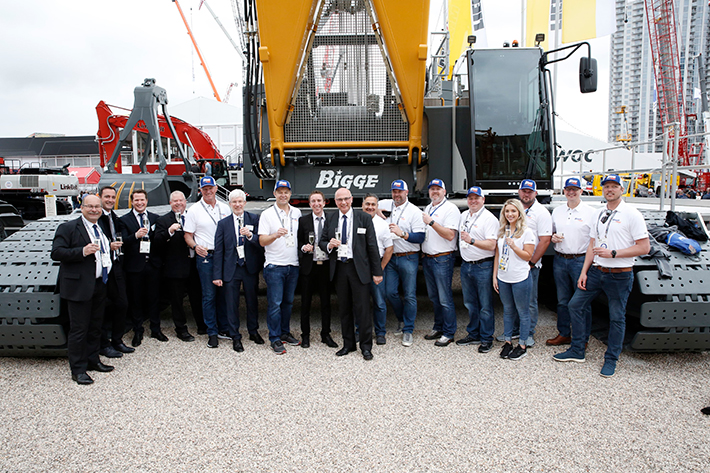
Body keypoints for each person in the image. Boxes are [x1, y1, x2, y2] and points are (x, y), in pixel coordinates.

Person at [553, 174, 650, 377]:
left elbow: (644, 247)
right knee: (575, 305)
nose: (609, 190)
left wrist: (614, 253)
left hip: (619, 275)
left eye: (614, 186)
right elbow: (592, 244)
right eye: (606, 186)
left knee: (616, 317)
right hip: (597, 271)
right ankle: (578, 349)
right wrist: (584, 271)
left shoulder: (632, 214)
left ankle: (611, 359)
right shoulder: (599, 213)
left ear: (622, 189)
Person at [51, 195, 114, 385]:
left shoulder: (100, 227)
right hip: (79, 286)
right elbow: (56, 252)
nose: (94, 210)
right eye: (90, 206)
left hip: (99, 283)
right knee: (79, 329)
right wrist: (82, 251)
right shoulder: (68, 228)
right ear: (82, 207)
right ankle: (78, 369)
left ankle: (93, 360)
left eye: (97, 207)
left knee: (95, 326)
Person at [321, 188, 383, 360]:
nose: (343, 202)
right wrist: (329, 245)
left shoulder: (364, 218)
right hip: (340, 268)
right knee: (344, 309)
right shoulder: (331, 218)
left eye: (346, 199)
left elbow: (372, 246)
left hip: (359, 269)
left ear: (352, 199)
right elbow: (322, 241)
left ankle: (366, 346)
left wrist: (377, 272)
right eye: (339, 200)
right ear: (335, 202)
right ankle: (348, 344)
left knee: (363, 310)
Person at [212, 189, 265, 352]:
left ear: (245, 203)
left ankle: (253, 331)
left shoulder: (254, 219)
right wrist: (217, 275)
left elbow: (261, 242)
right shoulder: (223, 224)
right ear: (230, 204)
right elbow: (219, 250)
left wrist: (250, 236)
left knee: (252, 301)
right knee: (231, 304)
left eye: (240, 201)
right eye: (234, 202)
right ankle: (235, 336)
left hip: (249, 268)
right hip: (231, 268)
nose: (237, 204)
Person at [547, 177, 596, 347]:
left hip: (580, 260)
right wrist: (553, 238)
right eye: (568, 189)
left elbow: (594, 240)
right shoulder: (557, 211)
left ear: (581, 191)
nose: (571, 192)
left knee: (582, 302)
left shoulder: (591, 212)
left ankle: (583, 337)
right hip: (560, 259)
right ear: (564, 191)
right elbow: (551, 233)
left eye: (575, 189)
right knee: (562, 300)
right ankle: (564, 333)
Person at [184, 176, 232, 348]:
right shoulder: (194, 210)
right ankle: (211, 331)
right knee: (209, 295)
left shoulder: (225, 208)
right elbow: (188, 235)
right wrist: (195, 246)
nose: (208, 191)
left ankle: (223, 328)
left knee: (223, 294)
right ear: (200, 191)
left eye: (210, 188)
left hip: (224, 256)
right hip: (206, 256)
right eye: (205, 189)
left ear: (216, 189)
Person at [377, 179, 426, 347]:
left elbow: (420, 237)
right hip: (391, 257)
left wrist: (403, 233)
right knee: (390, 292)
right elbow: (368, 205)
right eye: (394, 191)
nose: (396, 194)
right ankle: (401, 320)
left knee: (410, 295)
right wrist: (376, 210)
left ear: (406, 192)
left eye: (399, 191)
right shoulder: (386, 203)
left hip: (408, 257)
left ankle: (408, 330)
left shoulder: (414, 211)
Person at [154, 191, 205, 342]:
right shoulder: (163, 220)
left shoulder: (193, 217)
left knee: (197, 296)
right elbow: (157, 242)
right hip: (175, 267)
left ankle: (202, 325)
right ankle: (181, 329)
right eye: (175, 201)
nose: (178, 203)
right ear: (170, 203)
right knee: (177, 300)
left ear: (185, 202)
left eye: (181, 200)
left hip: (194, 264)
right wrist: (169, 231)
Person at [258, 180, 302, 354]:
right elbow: (262, 241)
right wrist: (275, 235)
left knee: (288, 302)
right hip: (275, 265)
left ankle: (285, 332)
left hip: (293, 265)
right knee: (275, 304)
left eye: (286, 192)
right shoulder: (267, 214)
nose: (283, 195)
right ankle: (274, 337)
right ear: (274, 194)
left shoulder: (297, 212)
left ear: (290, 194)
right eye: (280, 192)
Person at [510, 179, 552, 347]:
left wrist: (532, 262)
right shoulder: (514, 209)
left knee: (529, 301)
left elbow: (545, 240)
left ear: (535, 193)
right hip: (513, 264)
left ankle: (528, 333)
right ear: (519, 192)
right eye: (524, 191)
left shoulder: (541, 213)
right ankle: (515, 330)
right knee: (514, 300)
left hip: (529, 265)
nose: (526, 194)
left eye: (530, 191)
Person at [456, 186, 499, 353]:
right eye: (470, 198)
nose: (473, 201)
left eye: (476, 198)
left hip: (483, 266)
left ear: (483, 200)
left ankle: (487, 338)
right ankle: (473, 334)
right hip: (466, 265)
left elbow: (492, 245)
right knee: (470, 303)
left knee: (485, 305)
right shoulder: (464, 215)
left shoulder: (489, 219)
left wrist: (472, 241)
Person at [119, 189, 164, 347]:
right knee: (136, 300)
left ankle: (156, 329)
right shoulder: (124, 220)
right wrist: (135, 236)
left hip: (152, 264)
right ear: (132, 202)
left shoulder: (155, 218)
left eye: (142, 200)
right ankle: (138, 330)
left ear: (146, 201)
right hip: (134, 266)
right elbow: (122, 241)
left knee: (154, 298)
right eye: (136, 200)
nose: (139, 203)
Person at [493, 199, 535, 361]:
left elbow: (528, 256)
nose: (510, 214)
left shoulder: (526, 232)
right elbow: (498, 254)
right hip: (504, 277)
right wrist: (495, 275)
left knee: (522, 312)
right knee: (508, 310)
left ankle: (522, 345)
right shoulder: (502, 231)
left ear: (519, 213)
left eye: (513, 211)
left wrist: (514, 246)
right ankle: (508, 341)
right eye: (507, 211)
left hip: (520, 278)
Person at [420, 179, 460, 346]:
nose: (435, 192)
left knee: (445, 298)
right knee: (434, 297)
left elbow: (450, 235)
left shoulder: (451, 209)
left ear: (444, 191)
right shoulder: (428, 207)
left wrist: (431, 222)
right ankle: (438, 327)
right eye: (432, 189)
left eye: (438, 189)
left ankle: (449, 333)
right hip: (428, 258)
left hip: (442, 258)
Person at [297, 190, 338, 349]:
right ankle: (305, 335)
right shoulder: (303, 220)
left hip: (326, 266)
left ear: (324, 202)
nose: (316, 204)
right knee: (305, 303)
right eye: (313, 201)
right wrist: (303, 248)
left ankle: (325, 334)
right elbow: (299, 241)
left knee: (326, 302)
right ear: (309, 204)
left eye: (319, 201)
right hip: (309, 266)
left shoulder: (332, 219)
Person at [96, 186, 133, 358]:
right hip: (101, 266)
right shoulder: (96, 217)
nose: (110, 200)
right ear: (100, 197)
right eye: (107, 197)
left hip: (115, 263)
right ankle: (103, 344)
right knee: (102, 306)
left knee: (122, 303)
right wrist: (107, 246)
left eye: (112, 197)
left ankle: (117, 340)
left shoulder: (114, 217)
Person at [362, 194, 393, 345]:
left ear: (377, 206)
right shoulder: (357, 220)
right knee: (360, 302)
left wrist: (379, 269)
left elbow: (389, 248)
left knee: (379, 302)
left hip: (376, 266)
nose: (370, 207)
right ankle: (359, 331)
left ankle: (380, 333)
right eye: (367, 204)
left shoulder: (382, 224)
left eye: (373, 204)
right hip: (360, 267)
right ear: (362, 205)